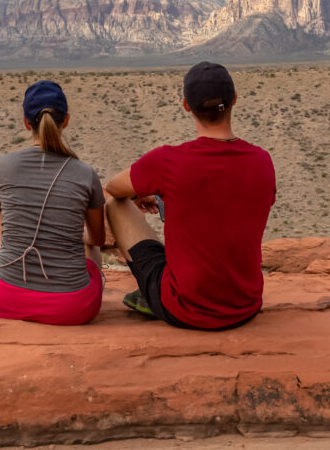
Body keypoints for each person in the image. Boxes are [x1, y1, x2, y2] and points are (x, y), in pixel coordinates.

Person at [104, 61, 275, 330]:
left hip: (184, 309)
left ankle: (153, 295)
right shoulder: (263, 162)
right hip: (245, 306)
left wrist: (143, 193)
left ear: (186, 105)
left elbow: (114, 189)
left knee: (115, 204)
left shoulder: (167, 162)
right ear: (235, 100)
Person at [0, 80, 106, 325]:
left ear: (27, 123)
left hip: (4, 299)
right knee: (89, 241)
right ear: (65, 120)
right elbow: (98, 239)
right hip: (74, 308)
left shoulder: (1, 165)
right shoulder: (85, 173)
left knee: (1, 211)